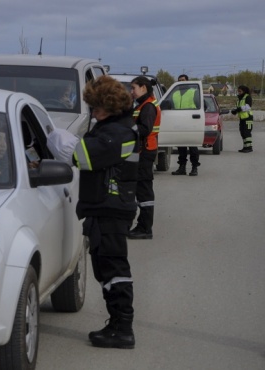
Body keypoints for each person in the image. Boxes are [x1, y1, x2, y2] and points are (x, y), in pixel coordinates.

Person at [70, 75, 139, 348]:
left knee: (113, 268)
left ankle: (122, 329)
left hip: (111, 208)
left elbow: (82, 156)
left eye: (97, 107)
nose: (93, 112)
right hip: (108, 207)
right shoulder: (115, 128)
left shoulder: (117, 133)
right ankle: (118, 325)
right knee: (107, 267)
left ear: (110, 106)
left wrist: (61, 142)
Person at [128, 76, 161, 240]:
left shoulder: (147, 106)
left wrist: (127, 127)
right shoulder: (142, 104)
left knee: (144, 190)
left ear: (143, 88)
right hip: (144, 151)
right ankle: (143, 225)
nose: (131, 91)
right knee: (142, 189)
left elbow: (145, 129)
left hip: (145, 152)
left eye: (133, 88)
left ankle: (145, 228)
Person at [171, 74, 201, 176]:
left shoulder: (194, 92)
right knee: (181, 147)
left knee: (193, 147)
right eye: (179, 80)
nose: (181, 82)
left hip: (191, 123)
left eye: (183, 80)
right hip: (179, 123)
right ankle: (182, 168)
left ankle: (194, 168)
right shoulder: (175, 93)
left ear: (188, 81)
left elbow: (202, 106)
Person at [231, 85, 254, 153]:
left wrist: (239, 109)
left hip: (248, 118)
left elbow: (248, 107)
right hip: (242, 118)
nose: (239, 92)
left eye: (240, 91)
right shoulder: (240, 98)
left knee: (247, 132)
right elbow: (239, 107)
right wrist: (235, 111)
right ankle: (245, 147)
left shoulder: (247, 97)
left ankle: (249, 147)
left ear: (244, 91)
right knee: (242, 132)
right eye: (238, 91)